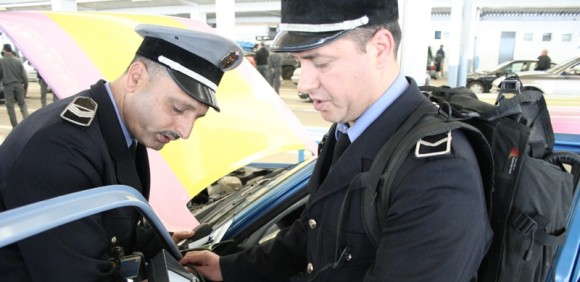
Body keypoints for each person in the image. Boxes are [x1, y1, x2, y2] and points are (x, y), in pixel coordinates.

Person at [180, 0, 492, 281]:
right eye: (300, 62)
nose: (303, 83)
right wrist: (230, 268)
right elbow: (316, 229)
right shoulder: (347, 130)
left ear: (380, 48)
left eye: (321, 62)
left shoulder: (437, 170)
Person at [0, 24, 243, 281]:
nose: (185, 131)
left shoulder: (118, 128)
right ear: (136, 77)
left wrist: (162, 244)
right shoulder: (59, 149)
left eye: (197, 117)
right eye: (178, 108)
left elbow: (111, 224)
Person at [0, 44, 29, 127]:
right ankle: (26, 124)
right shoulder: (18, 61)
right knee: (22, 105)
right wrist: (25, 87)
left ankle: (15, 126)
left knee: (10, 107)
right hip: (19, 85)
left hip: (8, 86)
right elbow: (24, 76)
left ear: (5, 50)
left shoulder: (1, 61)